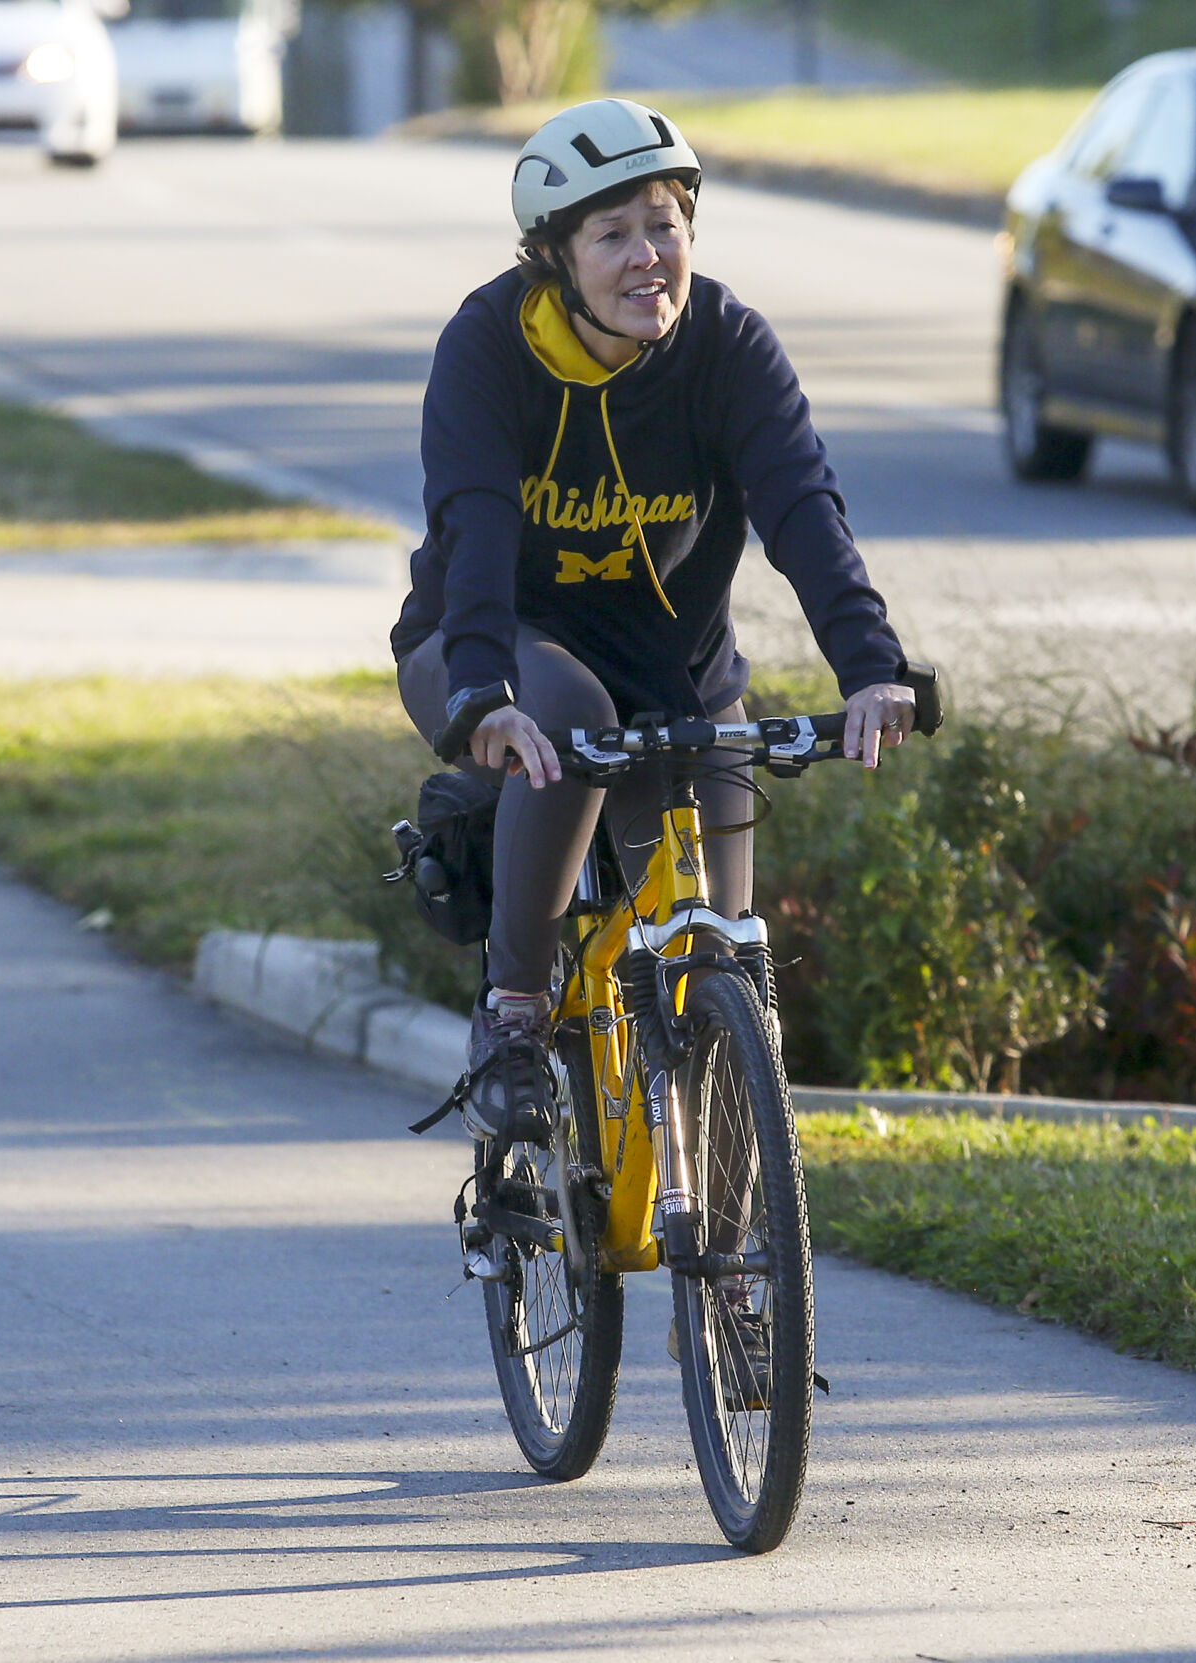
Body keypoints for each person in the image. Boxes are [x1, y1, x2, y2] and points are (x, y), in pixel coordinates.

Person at [393, 97, 916, 1148]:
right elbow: (479, 524)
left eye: (665, 224)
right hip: (488, 647)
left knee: (718, 956)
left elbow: (802, 507)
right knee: (571, 716)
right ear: (553, 256)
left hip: (680, 676)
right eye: (612, 233)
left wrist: (871, 667)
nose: (647, 258)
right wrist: (482, 691)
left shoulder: (726, 345)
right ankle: (515, 1018)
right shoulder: (492, 347)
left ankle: (729, 1264)